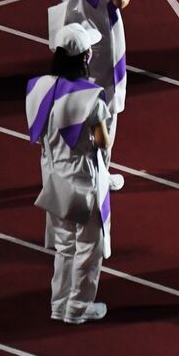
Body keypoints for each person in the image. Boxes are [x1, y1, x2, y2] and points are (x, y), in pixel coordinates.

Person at [26, 23, 112, 324]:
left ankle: (58, 303)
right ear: (84, 58)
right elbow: (103, 141)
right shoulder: (90, 96)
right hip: (82, 178)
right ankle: (77, 307)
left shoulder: (37, 87)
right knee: (90, 245)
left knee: (64, 245)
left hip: (52, 175)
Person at [47, 0, 130, 190]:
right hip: (100, 39)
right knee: (104, 106)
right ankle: (100, 172)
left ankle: (64, 164)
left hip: (68, 32)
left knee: (69, 96)